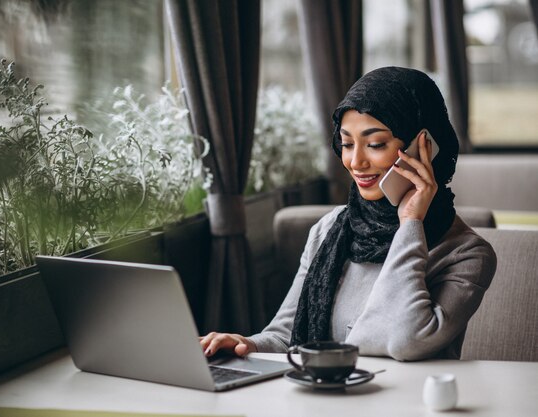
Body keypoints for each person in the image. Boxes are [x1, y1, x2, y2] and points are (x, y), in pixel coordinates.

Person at [200, 66, 497, 361]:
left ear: (424, 148)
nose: (356, 161)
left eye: (375, 144)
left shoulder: (468, 255)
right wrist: (245, 344)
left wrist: (410, 225)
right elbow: (286, 336)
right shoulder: (329, 230)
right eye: (346, 143)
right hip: (323, 402)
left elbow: (404, 340)